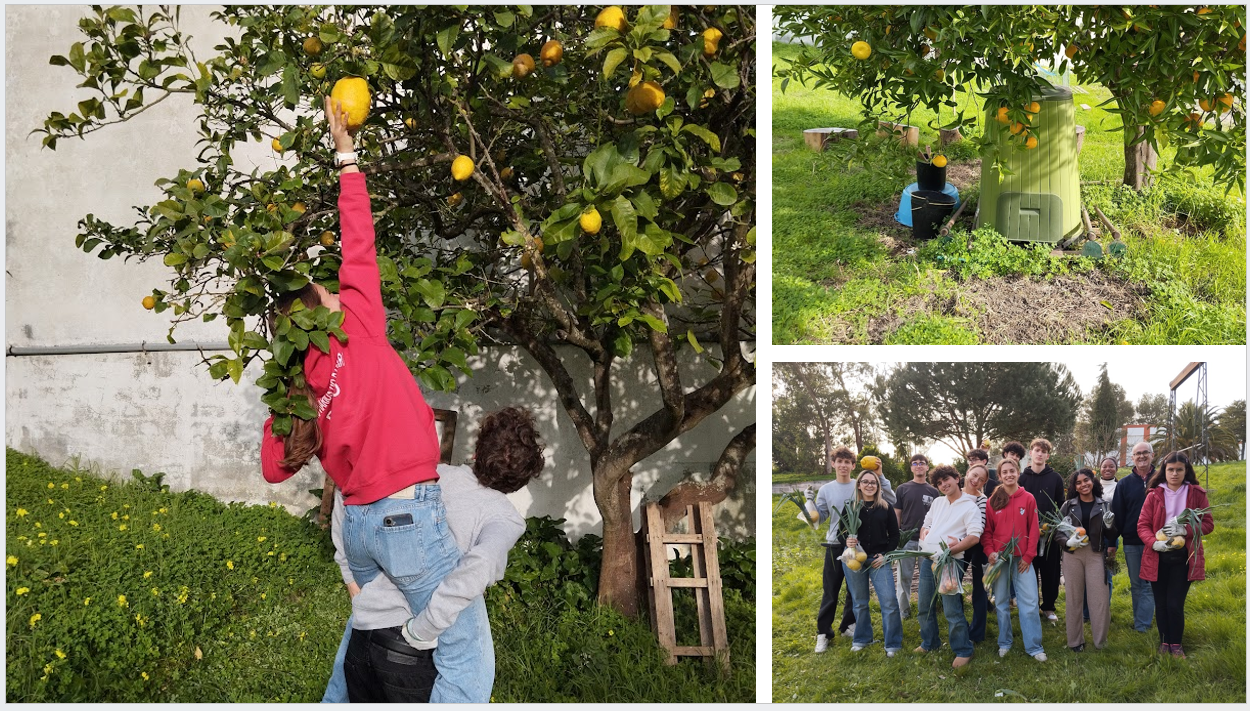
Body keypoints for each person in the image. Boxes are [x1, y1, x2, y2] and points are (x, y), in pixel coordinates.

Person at [261, 97, 471, 702]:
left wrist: (280, 397)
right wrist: (346, 154)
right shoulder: (356, 324)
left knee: (364, 645)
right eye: (326, 291)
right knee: (462, 653)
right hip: (406, 514)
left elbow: (275, 467)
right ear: (322, 313)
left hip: (355, 529)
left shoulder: (299, 388)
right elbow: (360, 241)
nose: (335, 287)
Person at [322, 408, 545, 703]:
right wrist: (424, 628)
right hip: (414, 652)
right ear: (522, 479)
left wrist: (350, 574)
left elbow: (350, 489)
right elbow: (478, 567)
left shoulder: (425, 478)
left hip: (363, 638)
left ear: (477, 449)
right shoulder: (504, 518)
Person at [1136, 451, 1215, 659]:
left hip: (1184, 558)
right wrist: (1154, 544)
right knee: (1161, 603)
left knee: (1174, 603)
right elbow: (1142, 525)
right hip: (1158, 556)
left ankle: (1176, 643)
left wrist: (1185, 531)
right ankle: (1164, 641)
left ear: (1185, 471)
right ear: (1164, 471)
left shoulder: (1196, 493)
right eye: (1170, 469)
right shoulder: (1154, 495)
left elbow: (1208, 524)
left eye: (1179, 470)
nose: (1174, 473)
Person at [915, 465, 982, 668]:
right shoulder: (937, 502)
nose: (944, 485)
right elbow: (926, 524)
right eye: (939, 483)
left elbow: (974, 536)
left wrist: (951, 550)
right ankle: (930, 642)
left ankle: (963, 650)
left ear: (957, 478)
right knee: (924, 605)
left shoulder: (970, 506)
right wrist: (925, 532)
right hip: (929, 559)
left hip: (950, 562)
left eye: (947, 480)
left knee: (952, 609)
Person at [981, 458, 1046, 661]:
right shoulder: (993, 500)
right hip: (999, 560)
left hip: (1022, 560)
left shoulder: (1028, 498)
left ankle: (1034, 646)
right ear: (999, 476)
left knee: (1030, 602)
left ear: (1018, 473)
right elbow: (987, 532)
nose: (1009, 475)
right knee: (1001, 601)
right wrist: (990, 552)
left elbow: (1034, 530)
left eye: (1012, 471)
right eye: (1005, 472)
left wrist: (1028, 556)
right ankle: (1005, 642)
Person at [840, 470, 903, 656]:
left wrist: (885, 555)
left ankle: (893, 643)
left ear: (878, 486)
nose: (869, 485)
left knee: (889, 601)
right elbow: (841, 532)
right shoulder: (850, 507)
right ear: (859, 485)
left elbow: (895, 535)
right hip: (854, 559)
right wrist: (847, 541)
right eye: (865, 482)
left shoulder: (886, 507)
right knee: (859, 602)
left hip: (878, 559)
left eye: (873, 482)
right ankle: (862, 638)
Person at [1055, 469, 1117, 652]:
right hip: (1073, 554)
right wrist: (1067, 541)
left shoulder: (1105, 504)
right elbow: (1057, 530)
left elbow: (1113, 534)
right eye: (1078, 482)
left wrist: (1109, 525)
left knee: (1100, 599)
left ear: (1093, 481)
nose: (1083, 485)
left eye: (1086, 480)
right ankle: (1075, 641)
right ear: (1074, 487)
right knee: (1074, 598)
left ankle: (1100, 642)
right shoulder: (1068, 505)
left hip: (1096, 554)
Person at [806, 447, 861, 651]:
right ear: (833, 464)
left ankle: (848, 625)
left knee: (854, 589)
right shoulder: (827, 489)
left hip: (856, 545)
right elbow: (818, 518)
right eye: (840, 461)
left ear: (853, 466)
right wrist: (809, 502)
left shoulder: (860, 486)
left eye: (848, 462)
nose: (844, 465)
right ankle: (823, 633)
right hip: (834, 545)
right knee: (831, 590)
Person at [1110, 442, 1157, 633]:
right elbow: (1118, 515)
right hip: (1132, 542)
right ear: (1132, 458)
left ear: (1152, 455)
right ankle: (1141, 622)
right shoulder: (1124, 484)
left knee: (1151, 584)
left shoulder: (1162, 480)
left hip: (1157, 541)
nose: (1141, 456)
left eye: (1145, 452)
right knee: (1137, 584)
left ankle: (1143, 624)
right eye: (1137, 454)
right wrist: (1113, 542)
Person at [1018, 438, 1065, 622]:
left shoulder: (1055, 478)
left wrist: (1055, 526)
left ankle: (1048, 607)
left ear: (1047, 455)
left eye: (1043, 451)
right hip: (1026, 535)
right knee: (1028, 572)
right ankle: (1031, 606)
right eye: (1036, 450)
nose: (1039, 453)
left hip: (1049, 534)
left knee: (1050, 572)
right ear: (1031, 453)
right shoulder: (1022, 478)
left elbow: (1061, 505)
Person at [893, 454, 938, 620]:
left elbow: (937, 516)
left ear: (927, 467)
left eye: (922, 463)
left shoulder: (933, 491)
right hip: (907, 541)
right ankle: (903, 611)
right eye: (915, 463)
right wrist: (897, 538)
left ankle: (926, 609)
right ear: (911, 467)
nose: (919, 466)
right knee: (904, 578)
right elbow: (897, 514)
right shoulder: (903, 489)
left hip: (927, 543)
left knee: (928, 578)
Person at [961, 464, 990, 644]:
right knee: (952, 586)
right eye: (974, 475)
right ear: (968, 473)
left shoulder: (983, 500)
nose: (976, 481)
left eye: (981, 479)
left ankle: (977, 633)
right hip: (956, 546)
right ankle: (961, 625)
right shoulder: (955, 493)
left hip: (977, 545)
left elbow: (979, 526)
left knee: (980, 590)